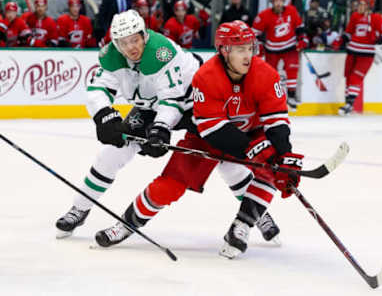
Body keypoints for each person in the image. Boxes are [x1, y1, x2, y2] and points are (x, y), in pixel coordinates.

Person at [55, 13, 282, 248]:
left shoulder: (161, 52)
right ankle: (79, 208)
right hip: (152, 106)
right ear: (115, 43)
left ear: (144, 35)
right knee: (112, 153)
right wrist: (104, 115)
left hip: (194, 102)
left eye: (135, 40)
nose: (131, 47)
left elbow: (171, 100)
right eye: (124, 42)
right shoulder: (112, 56)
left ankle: (258, 214)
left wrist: (160, 129)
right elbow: (98, 88)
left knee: (226, 160)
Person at [252, 0, 308, 111]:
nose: (278, 4)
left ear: (284, 2)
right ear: (272, 2)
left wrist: (303, 39)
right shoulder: (264, 15)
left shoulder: (292, 11)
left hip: (290, 47)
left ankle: (291, 97)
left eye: (280, 1)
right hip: (272, 49)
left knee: (292, 70)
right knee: (270, 74)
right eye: (276, 1)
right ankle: (270, 97)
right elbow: (255, 33)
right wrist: (260, 45)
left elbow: (299, 27)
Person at [332, 0, 382, 115]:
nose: (359, 6)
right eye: (359, 4)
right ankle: (348, 103)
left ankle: (350, 104)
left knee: (355, 78)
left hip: (366, 54)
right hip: (352, 51)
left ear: (369, 6)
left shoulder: (376, 18)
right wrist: (339, 41)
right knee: (348, 76)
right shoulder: (355, 16)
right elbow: (349, 32)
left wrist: (378, 37)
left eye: (362, 4)